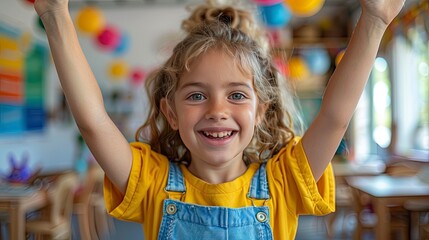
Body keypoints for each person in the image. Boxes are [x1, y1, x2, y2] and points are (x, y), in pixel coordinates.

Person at [34, 0, 406, 239]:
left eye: (237, 95)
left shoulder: (283, 181)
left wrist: (374, 20)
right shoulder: (152, 181)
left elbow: (335, 117)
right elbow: (93, 121)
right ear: (171, 113)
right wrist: (54, 13)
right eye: (196, 95)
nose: (217, 110)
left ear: (261, 110)